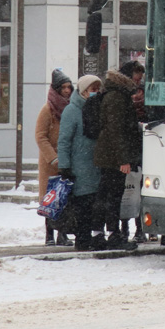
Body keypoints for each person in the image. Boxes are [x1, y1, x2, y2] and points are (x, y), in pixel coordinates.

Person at [92, 66, 142, 251]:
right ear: (128, 78)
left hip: (110, 154)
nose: (138, 82)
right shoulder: (117, 97)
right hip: (112, 156)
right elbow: (116, 130)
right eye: (137, 78)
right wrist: (123, 159)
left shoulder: (115, 94)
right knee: (111, 195)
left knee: (109, 194)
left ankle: (104, 233)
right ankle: (107, 234)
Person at [57, 75, 105, 251]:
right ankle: (82, 240)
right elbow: (64, 140)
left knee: (95, 204)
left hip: (96, 165)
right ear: (83, 90)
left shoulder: (98, 108)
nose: (96, 92)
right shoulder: (72, 110)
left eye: (98, 89)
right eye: (93, 89)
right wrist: (64, 166)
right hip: (79, 166)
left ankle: (94, 237)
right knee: (83, 204)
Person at [36, 69, 73, 246]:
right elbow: (40, 136)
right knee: (50, 199)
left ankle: (62, 234)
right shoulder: (48, 109)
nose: (67, 91)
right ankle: (49, 234)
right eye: (63, 87)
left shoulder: (70, 108)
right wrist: (53, 157)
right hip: (50, 164)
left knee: (64, 198)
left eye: (69, 87)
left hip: (67, 161)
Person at [118, 60, 148, 243]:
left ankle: (140, 228)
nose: (138, 86)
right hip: (129, 151)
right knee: (127, 191)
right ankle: (124, 228)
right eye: (135, 81)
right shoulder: (123, 99)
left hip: (142, 150)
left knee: (141, 191)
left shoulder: (146, 101)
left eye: (140, 82)